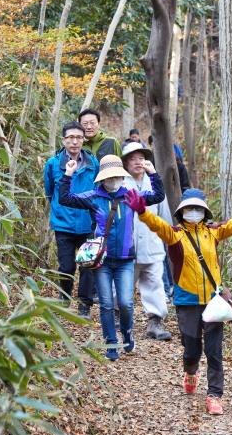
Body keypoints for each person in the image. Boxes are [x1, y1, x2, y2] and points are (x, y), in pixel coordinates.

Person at [124, 187, 232, 414]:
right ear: (182, 211)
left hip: (212, 302)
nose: (194, 212)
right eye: (189, 208)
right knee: (191, 349)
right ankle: (190, 371)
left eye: (198, 208)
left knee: (214, 350)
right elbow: (157, 225)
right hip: (186, 301)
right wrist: (142, 212)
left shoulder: (213, 232)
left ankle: (214, 395)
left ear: (204, 211)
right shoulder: (175, 234)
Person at [59, 154, 165, 361]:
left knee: (125, 302)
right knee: (107, 303)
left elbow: (157, 195)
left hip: (126, 259)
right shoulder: (93, 197)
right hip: (102, 260)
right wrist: (68, 174)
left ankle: (126, 333)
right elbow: (65, 198)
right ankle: (110, 343)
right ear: (102, 178)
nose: (113, 180)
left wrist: (152, 173)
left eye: (116, 176)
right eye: (109, 177)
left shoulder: (131, 195)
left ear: (121, 176)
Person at [44, 121, 99, 318]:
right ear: (64, 140)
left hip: (87, 223)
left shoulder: (93, 163)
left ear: (84, 139)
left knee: (87, 265)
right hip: (63, 223)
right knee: (66, 266)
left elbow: (99, 190)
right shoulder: (53, 164)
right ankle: (64, 298)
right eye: (70, 138)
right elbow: (50, 191)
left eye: (78, 137)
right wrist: (59, 210)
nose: (74, 142)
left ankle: (85, 304)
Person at [121, 142, 172, 341]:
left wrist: (169, 234)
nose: (137, 162)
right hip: (126, 245)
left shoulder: (154, 182)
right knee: (122, 286)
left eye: (140, 158)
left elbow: (163, 210)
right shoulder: (119, 182)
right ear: (125, 162)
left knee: (154, 284)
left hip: (152, 243)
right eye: (132, 159)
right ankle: (119, 319)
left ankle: (155, 321)